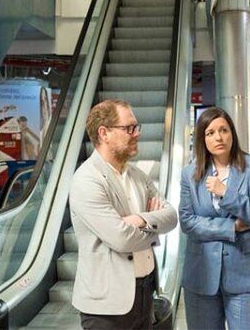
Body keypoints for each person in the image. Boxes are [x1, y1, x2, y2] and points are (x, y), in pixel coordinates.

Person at [69, 100, 178, 330]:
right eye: (129, 128)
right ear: (104, 133)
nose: (136, 133)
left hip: (145, 294)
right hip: (107, 306)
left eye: (136, 127)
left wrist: (140, 219)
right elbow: (122, 239)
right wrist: (154, 226)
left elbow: (171, 216)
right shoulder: (87, 180)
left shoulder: (137, 175)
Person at [180, 107, 250, 330]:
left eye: (223, 130)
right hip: (201, 274)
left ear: (232, 133)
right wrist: (232, 227)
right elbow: (187, 221)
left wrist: (226, 193)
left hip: (244, 274)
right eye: (210, 133)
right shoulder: (190, 174)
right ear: (202, 139)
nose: (218, 137)